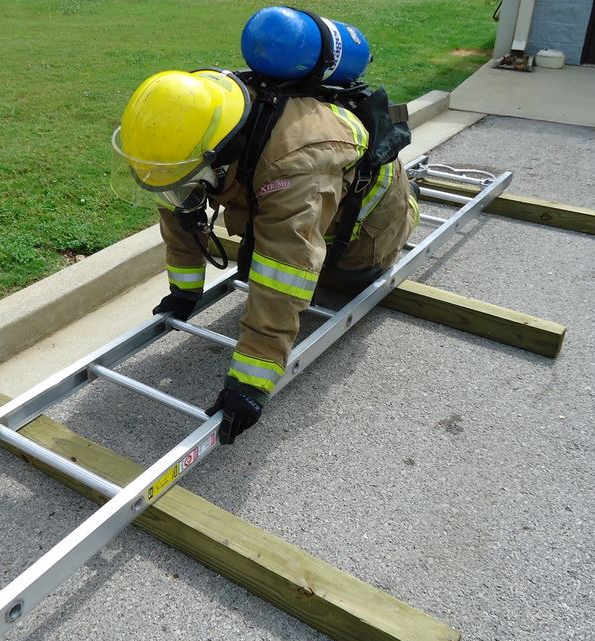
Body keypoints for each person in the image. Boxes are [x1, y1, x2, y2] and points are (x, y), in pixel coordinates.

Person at [111, 68, 419, 445]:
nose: (180, 194)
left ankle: (407, 208)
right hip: (303, 195)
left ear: (220, 159)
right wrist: (184, 290)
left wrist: (252, 381)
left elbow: (287, 270)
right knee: (249, 231)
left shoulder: (291, 165)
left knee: (336, 281)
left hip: (367, 234)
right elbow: (178, 209)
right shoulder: (198, 122)